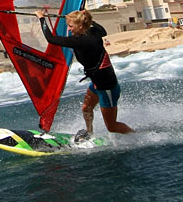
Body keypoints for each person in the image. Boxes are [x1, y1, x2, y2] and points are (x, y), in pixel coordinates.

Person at [35, 9, 134, 137]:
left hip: (107, 88)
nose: (69, 29)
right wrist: (86, 16)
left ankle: (136, 135)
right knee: (86, 109)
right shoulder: (93, 32)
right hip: (97, 84)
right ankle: (90, 133)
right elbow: (102, 30)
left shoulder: (82, 41)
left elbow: (50, 39)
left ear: (80, 26)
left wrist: (41, 18)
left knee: (112, 126)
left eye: (71, 26)